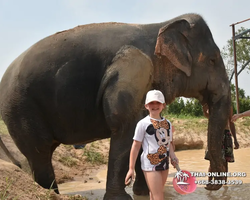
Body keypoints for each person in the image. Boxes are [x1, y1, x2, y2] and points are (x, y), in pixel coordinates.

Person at [125, 90, 179, 200]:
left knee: (154, 194)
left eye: (158, 103)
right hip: (150, 164)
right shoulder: (143, 124)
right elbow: (135, 146)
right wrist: (131, 168)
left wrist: (173, 157)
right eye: (151, 103)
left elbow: (168, 145)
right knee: (159, 196)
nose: (155, 105)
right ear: (146, 106)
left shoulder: (168, 124)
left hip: (164, 163)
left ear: (163, 105)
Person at [202, 104, 239, 182]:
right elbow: (210, 117)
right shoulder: (212, 102)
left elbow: (231, 122)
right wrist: (205, 111)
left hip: (226, 134)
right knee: (212, 161)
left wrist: (235, 139)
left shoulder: (229, 105)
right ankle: (209, 183)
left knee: (225, 161)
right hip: (215, 134)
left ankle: (224, 184)